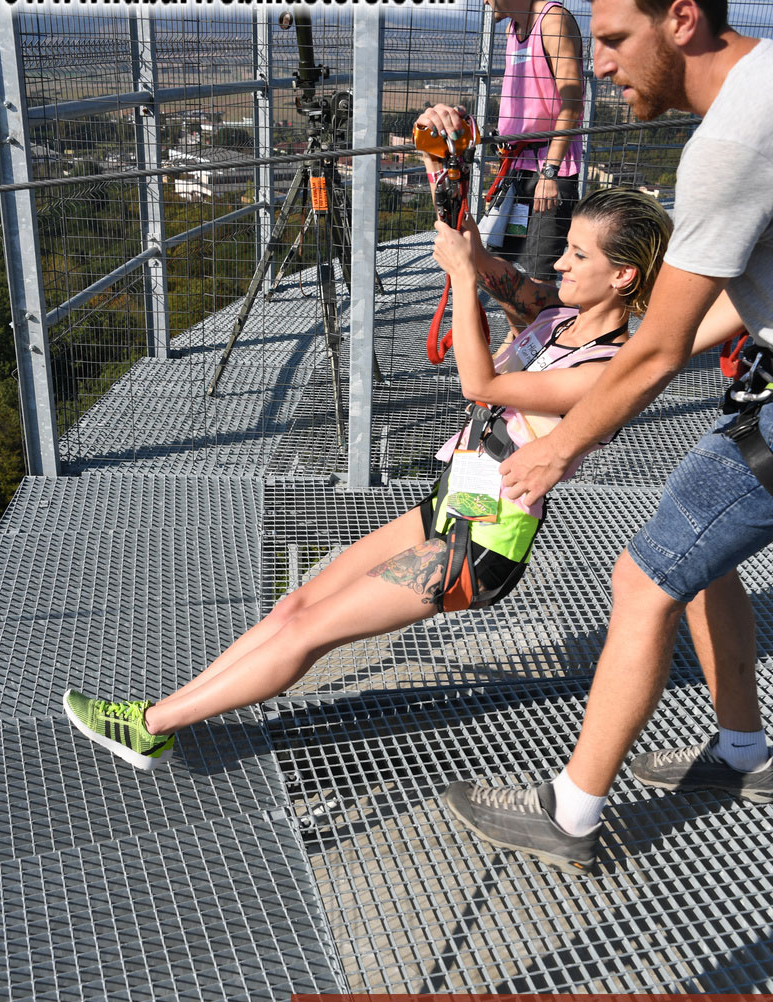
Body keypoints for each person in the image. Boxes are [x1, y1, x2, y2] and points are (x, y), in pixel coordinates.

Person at [62, 188, 672, 773]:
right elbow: (484, 262)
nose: (561, 261)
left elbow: (481, 384)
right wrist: (447, 177)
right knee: (297, 603)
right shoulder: (555, 315)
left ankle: (153, 724)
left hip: (481, 544)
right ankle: (158, 713)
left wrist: (461, 279)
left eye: (580, 254)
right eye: (565, 246)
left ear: (622, 276)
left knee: (310, 631)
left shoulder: (606, 370)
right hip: (447, 508)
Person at [444, 0, 772, 875]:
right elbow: (708, 315)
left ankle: (572, 814)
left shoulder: (730, 143)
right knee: (703, 556)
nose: (601, 67)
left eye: (618, 40)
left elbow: (660, 346)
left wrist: (553, 448)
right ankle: (746, 751)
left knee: (644, 575)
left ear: (683, 18)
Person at [417, 0, 585, 292]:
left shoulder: (553, 21)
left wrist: (550, 173)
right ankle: (519, 336)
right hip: (518, 167)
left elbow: (573, 101)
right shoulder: (513, 30)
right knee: (502, 268)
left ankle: (535, 339)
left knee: (539, 276)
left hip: (547, 171)